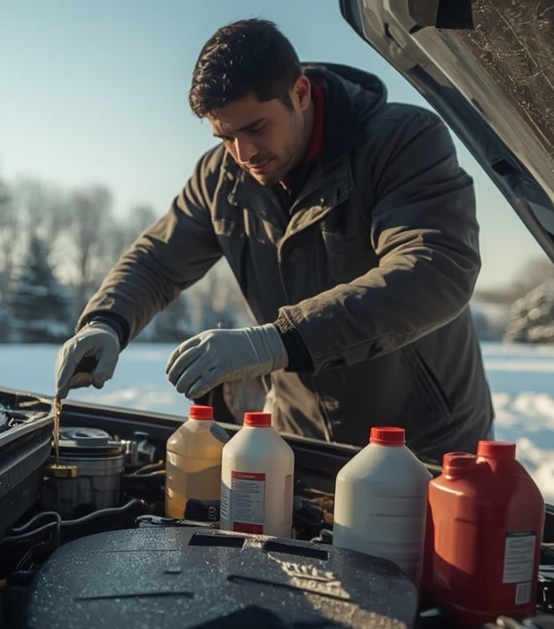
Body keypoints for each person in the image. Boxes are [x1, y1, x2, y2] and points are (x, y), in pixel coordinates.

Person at [53, 18, 493, 462]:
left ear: (300, 93)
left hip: (424, 445)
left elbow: (435, 268)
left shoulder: (403, 141)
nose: (244, 154)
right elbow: (157, 260)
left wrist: (275, 341)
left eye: (256, 128)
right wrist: (105, 322)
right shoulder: (219, 177)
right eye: (225, 137)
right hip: (300, 444)